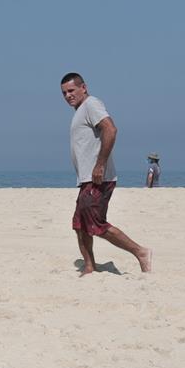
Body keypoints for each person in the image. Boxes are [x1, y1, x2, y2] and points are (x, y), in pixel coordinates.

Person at [60, 73, 151, 277]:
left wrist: (100, 165)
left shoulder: (91, 104)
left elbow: (111, 129)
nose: (68, 96)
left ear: (84, 87)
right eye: (64, 93)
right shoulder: (80, 111)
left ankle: (141, 252)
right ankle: (89, 267)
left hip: (98, 178)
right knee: (79, 225)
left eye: (71, 91)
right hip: (87, 179)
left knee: (96, 224)